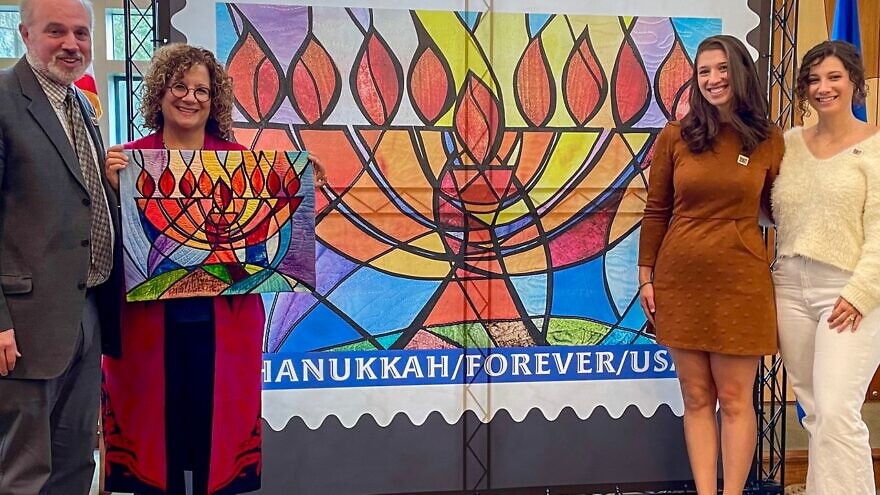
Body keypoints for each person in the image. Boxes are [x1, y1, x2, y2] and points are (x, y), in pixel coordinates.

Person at [101, 43, 326, 495]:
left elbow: (271, 240)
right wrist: (111, 188)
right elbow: (104, 241)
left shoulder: (240, 161)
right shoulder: (126, 161)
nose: (190, 97)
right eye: (179, 86)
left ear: (214, 98)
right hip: (148, 325)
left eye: (201, 90)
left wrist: (299, 182)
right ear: (160, 93)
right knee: (154, 442)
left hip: (225, 324)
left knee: (219, 439)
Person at [638, 34, 783, 494]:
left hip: (741, 283)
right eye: (704, 71)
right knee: (697, 396)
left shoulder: (769, 139)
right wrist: (645, 276)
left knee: (737, 399)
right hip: (680, 281)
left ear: (740, 73)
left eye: (722, 69)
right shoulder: (675, 135)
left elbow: (780, 209)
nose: (713, 79)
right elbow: (656, 210)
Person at [0, 0, 122, 493]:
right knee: (24, 475)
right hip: (24, 326)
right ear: (25, 35)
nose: (71, 44)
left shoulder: (80, 105)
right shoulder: (4, 101)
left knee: (75, 465)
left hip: (87, 313)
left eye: (81, 33)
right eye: (56, 31)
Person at [771, 40, 880, 494]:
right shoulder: (788, 145)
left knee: (837, 412)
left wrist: (861, 294)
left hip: (850, 292)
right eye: (814, 79)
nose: (823, 87)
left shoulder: (876, 147)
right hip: (789, 288)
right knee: (816, 412)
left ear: (854, 82)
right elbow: (766, 208)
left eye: (834, 77)